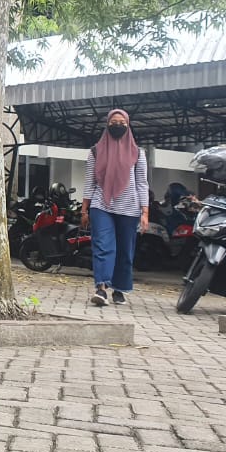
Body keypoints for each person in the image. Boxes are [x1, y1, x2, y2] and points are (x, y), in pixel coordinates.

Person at [80, 109, 149, 306]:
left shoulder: (138, 153)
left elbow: (142, 183)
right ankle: (101, 289)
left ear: (128, 126)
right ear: (107, 125)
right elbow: (90, 182)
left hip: (129, 208)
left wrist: (145, 212)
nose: (117, 125)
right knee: (102, 246)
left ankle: (120, 289)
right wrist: (84, 210)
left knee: (125, 250)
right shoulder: (95, 151)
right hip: (101, 204)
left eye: (122, 122)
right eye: (113, 122)